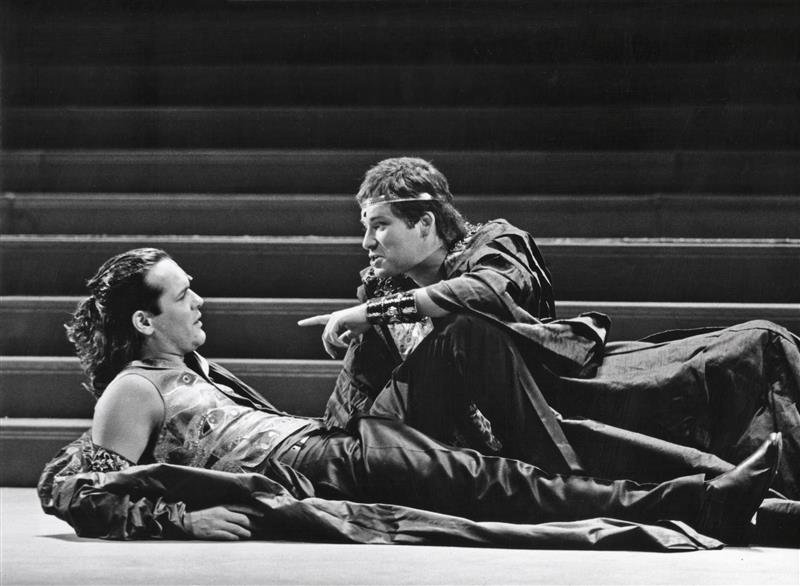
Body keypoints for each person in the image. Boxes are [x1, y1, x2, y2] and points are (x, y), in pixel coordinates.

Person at [37, 247, 781, 548]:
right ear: (144, 321)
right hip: (321, 468)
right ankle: (699, 501)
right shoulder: (133, 390)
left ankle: (700, 493)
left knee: (501, 457)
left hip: (336, 447)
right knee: (506, 487)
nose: (199, 299)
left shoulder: (190, 368)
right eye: (182, 293)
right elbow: (77, 490)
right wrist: (184, 520)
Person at [298, 157, 800, 503]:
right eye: (365, 227)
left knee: (750, 348)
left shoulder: (492, 243)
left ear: (425, 223)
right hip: (459, 445)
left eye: (379, 225)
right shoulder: (381, 291)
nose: (366, 242)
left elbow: (487, 293)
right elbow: (358, 396)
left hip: (542, 398)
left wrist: (373, 313)